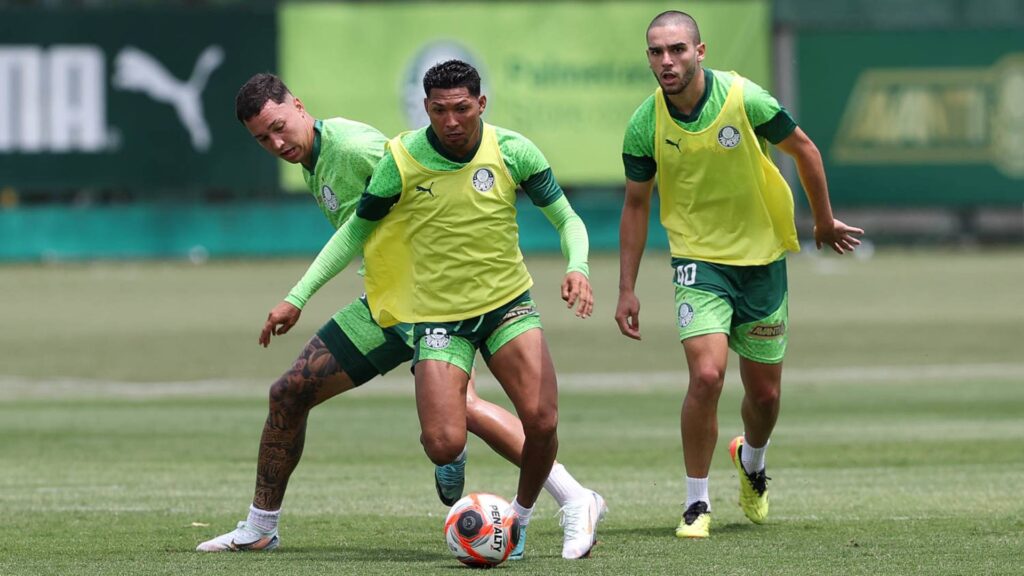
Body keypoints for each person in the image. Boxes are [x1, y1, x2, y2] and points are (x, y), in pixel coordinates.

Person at [196, 72, 605, 560]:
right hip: (384, 303)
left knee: (468, 410)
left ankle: (569, 498)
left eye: (280, 127)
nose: (276, 142)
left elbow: (415, 178)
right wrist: (299, 296)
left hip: (423, 303)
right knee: (291, 391)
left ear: (299, 106)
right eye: (263, 138)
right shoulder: (314, 157)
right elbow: (364, 226)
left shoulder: (354, 149)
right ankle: (261, 526)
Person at [615, 11, 864, 539]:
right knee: (706, 376)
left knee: (765, 396)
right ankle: (695, 503)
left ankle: (752, 460)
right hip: (698, 261)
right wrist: (627, 288)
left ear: (700, 52)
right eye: (657, 52)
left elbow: (806, 151)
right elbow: (636, 205)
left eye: (677, 50)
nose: (667, 61)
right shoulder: (644, 124)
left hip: (763, 258)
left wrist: (821, 221)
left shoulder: (744, 99)